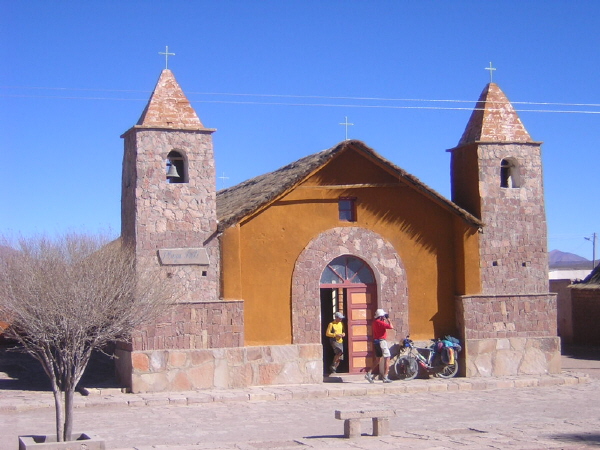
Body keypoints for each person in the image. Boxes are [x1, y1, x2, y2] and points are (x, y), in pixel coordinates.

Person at [365, 308, 394, 383]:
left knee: (378, 359)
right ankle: (385, 376)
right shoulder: (381, 323)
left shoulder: (375, 322)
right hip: (382, 342)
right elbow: (391, 327)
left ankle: (369, 373)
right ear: (381, 316)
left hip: (376, 341)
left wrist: (383, 319)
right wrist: (388, 319)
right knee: (387, 358)